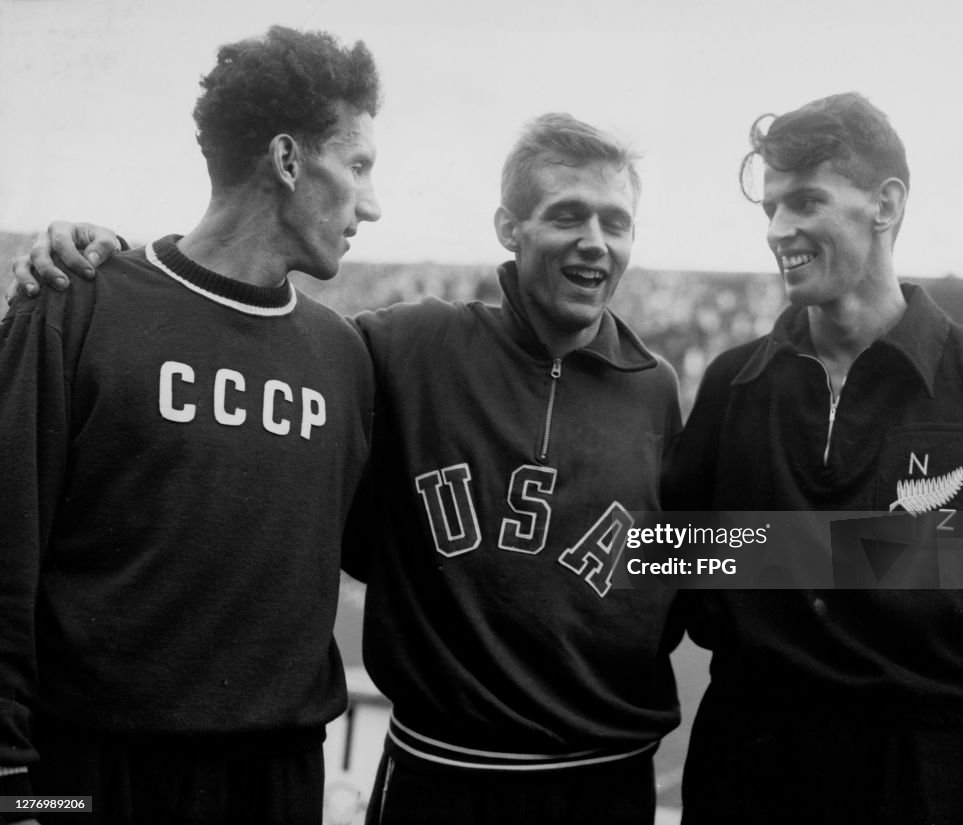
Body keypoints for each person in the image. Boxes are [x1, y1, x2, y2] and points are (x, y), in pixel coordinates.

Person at [9, 114, 687, 824]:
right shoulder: (404, 345)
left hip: (606, 780)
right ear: (508, 226)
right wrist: (108, 261)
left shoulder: (657, 387)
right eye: (567, 215)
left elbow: (689, 565)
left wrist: (812, 554)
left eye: (618, 222)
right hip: (437, 770)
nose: (595, 242)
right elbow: (242, 328)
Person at [0, 25, 381, 825]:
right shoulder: (75, 304)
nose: (371, 203)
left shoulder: (342, 354)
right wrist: (13, 790)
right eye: (358, 165)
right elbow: (4, 558)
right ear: (287, 160)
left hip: (276, 783)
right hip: (91, 782)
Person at [661, 91, 963, 824]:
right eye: (769, 208)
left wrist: (766, 553)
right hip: (743, 768)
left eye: (803, 202)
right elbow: (672, 561)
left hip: (920, 779)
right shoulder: (733, 381)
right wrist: (917, 553)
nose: (777, 230)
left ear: (884, 204)